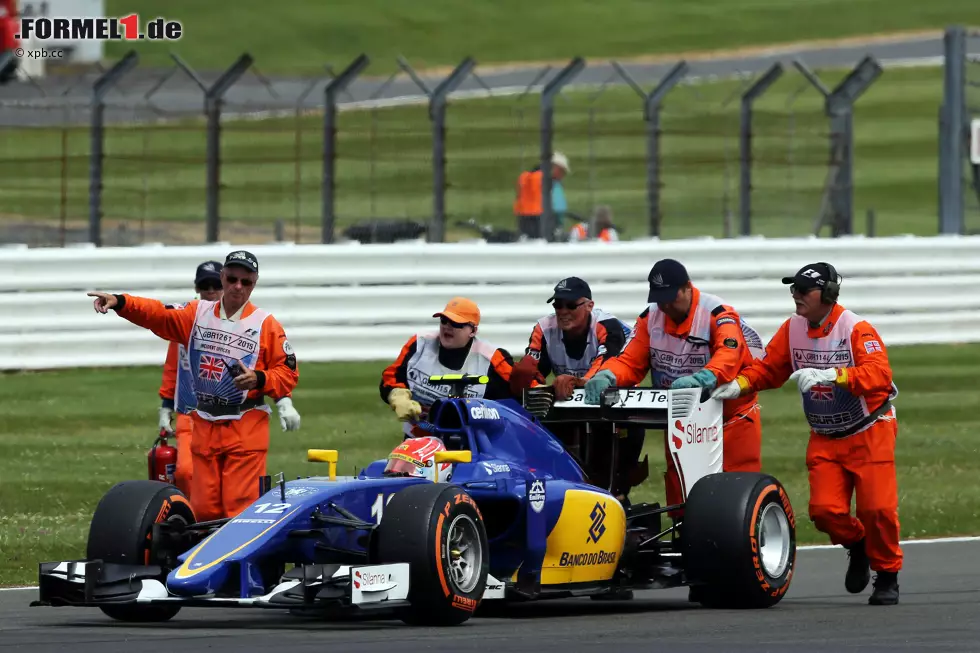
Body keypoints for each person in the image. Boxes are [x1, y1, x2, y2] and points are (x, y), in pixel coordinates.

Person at [712, 262, 901, 606]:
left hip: (870, 429)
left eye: (803, 290)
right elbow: (769, 370)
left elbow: (880, 375)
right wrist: (738, 385)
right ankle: (858, 544)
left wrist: (835, 376)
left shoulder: (855, 329)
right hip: (826, 435)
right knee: (824, 511)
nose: (796, 296)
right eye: (793, 289)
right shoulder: (792, 329)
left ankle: (887, 574)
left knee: (877, 510)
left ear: (827, 295)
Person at [88, 250, 301, 522]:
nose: (237, 286)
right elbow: (158, 315)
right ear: (223, 277)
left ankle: (236, 563)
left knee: (238, 510)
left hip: (245, 423)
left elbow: (287, 373)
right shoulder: (195, 313)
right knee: (204, 511)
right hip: (204, 422)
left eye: (245, 282)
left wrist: (260, 379)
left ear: (254, 283)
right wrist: (121, 302)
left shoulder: (266, 324)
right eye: (232, 279)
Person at [584, 258, 765, 515]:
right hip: (681, 417)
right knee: (682, 493)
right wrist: (608, 375)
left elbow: (730, 354)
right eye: (660, 298)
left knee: (738, 496)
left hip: (730, 416)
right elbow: (629, 361)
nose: (666, 305)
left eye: (671, 297)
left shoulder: (718, 314)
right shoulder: (649, 318)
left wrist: (704, 378)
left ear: (687, 287)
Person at [509, 276, 645, 499]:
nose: (563, 311)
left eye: (571, 305)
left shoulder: (607, 326)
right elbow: (532, 374)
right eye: (558, 305)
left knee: (622, 429)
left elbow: (609, 366)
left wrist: (577, 382)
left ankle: (618, 492)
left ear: (589, 305)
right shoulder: (543, 328)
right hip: (569, 396)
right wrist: (543, 391)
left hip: (615, 391)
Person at [381, 297, 519, 439]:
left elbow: (519, 395)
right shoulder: (420, 343)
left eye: (456, 323)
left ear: (472, 330)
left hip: (472, 445)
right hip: (418, 440)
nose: (447, 326)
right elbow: (391, 377)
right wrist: (398, 397)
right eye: (444, 321)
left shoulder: (493, 359)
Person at [156, 260, 225, 499]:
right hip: (190, 412)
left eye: (215, 284)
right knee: (185, 472)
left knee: (221, 475)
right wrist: (165, 408)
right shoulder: (185, 319)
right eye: (205, 285)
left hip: (226, 415)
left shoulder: (241, 321)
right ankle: (188, 519)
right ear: (197, 288)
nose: (210, 290)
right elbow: (172, 366)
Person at [513, 151, 571, 240]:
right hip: (542, 227)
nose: (562, 176)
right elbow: (559, 209)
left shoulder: (525, 178)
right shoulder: (551, 183)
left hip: (523, 226)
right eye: (562, 172)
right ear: (555, 167)